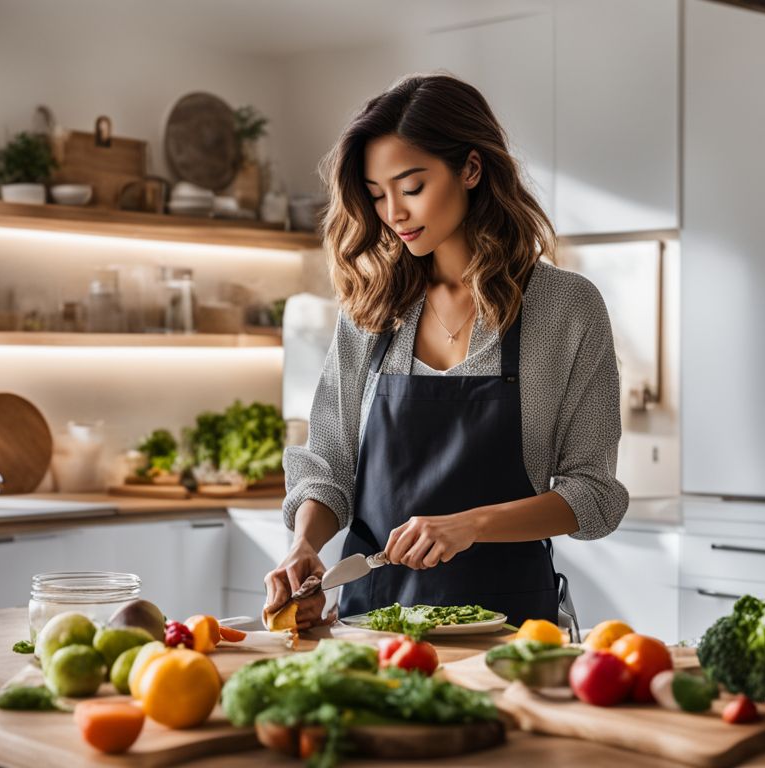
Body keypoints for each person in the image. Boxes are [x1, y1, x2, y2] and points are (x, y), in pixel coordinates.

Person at [265, 73, 627, 632]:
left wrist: (472, 524)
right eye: (377, 193)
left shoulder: (565, 308)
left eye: (411, 188)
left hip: (512, 636)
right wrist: (303, 546)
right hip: (373, 627)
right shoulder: (371, 307)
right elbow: (328, 464)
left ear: (472, 169)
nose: (393, 213)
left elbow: (595, 495)